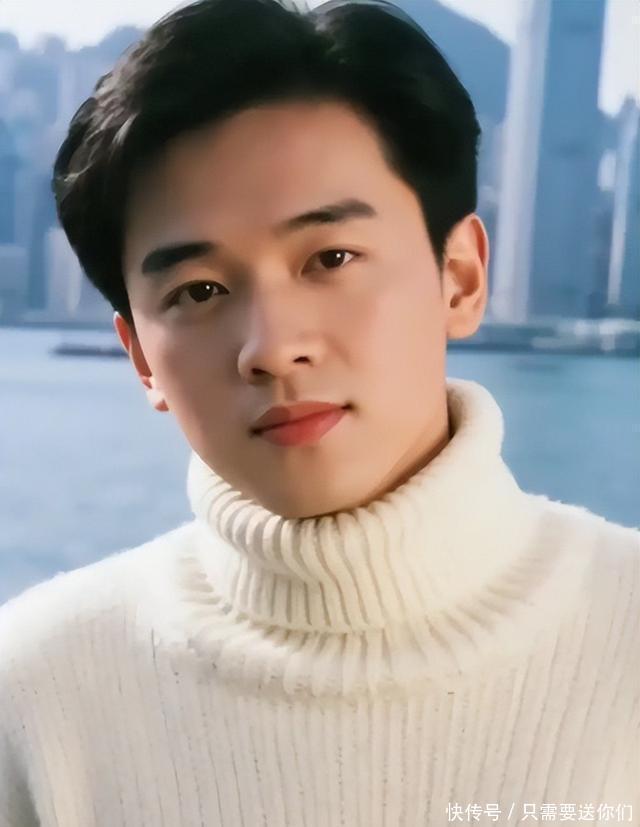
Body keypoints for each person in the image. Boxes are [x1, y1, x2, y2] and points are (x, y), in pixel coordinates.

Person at [1, 0, 638, 824]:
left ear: (460, 278)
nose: (271, 347)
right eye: (200, 291)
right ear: (141, 358)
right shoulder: (36, 691)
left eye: (331, 258)